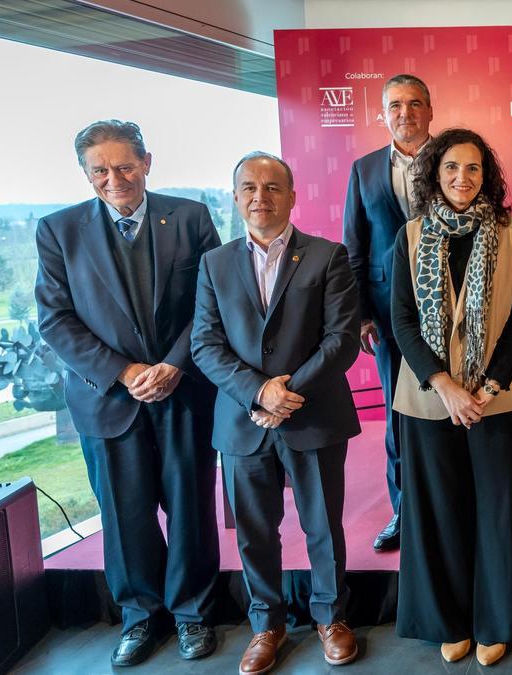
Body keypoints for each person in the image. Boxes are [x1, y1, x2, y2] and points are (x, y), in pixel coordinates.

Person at [35, 120, 221, 667]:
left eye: (124, 166)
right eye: (100, 170)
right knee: (124, 515)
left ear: (146, 162)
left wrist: (171, 365)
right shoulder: (57, 230)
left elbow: (210, 305)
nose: (114, 179)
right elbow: (55, 321)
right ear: (86, 174)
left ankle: (193, 615)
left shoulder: (190, 218)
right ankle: (142, 618)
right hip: (107, 400)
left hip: (182, 391)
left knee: (190, 510)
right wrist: (124, 372)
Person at [191, 152, 362, 674]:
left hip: (312, 414)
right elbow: (204, 343)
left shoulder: (328, 256)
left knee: (322, 525)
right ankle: (266, 624)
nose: (259, 197)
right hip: (243, 420)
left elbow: (342, 339)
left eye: (271, 188)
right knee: (254, 531)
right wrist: (258, 392)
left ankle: (331, 618)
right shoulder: (214, 264)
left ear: (292, 196)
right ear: (235, 197)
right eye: (248, 188)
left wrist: (288, 394)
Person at [391, 128, 512, 668]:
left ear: (488, 175)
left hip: (495, 397)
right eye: (452, 167)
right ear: (435, 170)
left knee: (498, 511)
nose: (463, 178)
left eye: (474, 168)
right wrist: (446, 384)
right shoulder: (410, 235)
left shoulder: (510, 229)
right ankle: (449, 621)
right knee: (440, 512)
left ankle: (496, 621)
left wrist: (490, 384)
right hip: (428, 397)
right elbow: (402, 320)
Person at [342, 73, 434, 552]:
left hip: (450, 311)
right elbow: (353, 248)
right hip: (386, 312)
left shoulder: (454, 161)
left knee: (446, 410)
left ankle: (445, 509)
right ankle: (403, 513)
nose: (406, 113)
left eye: (415, 103)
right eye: (396, 105)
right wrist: (359, 315)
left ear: (430, 110)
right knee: (399, 417)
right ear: (383, 113)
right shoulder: (364, 169)